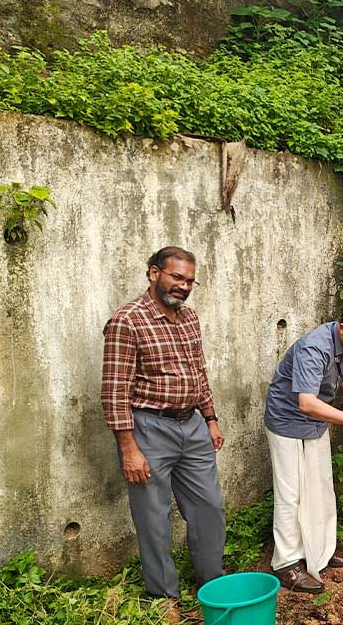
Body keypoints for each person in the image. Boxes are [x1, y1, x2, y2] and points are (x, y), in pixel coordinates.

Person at [101, 246, 225, 624]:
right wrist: (129, 448)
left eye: (190, 280)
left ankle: (212, 583)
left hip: (193, 425)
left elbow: (198, 371)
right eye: (177, 277)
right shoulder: (128, 321)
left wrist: (211, 417)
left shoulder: (189, 318)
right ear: (153, 273)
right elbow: (114, 390)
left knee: (209, 508)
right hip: (149, 428)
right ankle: (163, 596)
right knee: (153, 516)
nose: (184, 286)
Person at [264, 302, 343, 594]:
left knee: (320, 488)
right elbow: (306, 402)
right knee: (291, 494)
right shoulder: (314, 348)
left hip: (314, 424)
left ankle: (320, 551)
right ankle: (287, 564)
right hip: (287, 423)